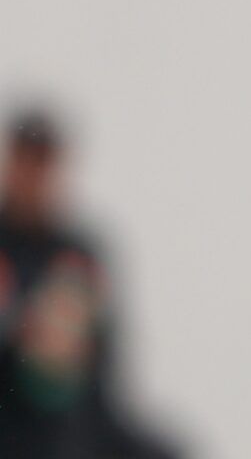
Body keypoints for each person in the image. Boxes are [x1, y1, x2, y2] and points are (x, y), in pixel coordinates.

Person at [0, 107, 183, 459]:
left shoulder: (78, 257)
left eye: (44, 164)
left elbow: (103, 369)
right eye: (26, 161)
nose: (34, 176)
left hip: (73, 429)